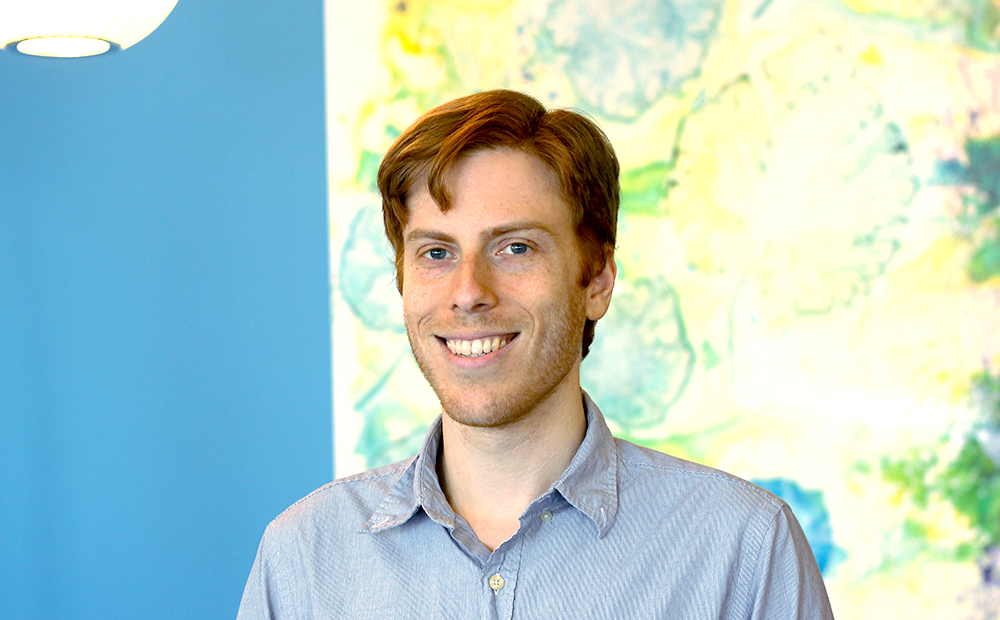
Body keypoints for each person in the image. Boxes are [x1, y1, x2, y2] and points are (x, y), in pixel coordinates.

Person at [237, 90, 835, 619]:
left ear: (596, 278)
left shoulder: (743, 550)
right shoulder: (303, 561)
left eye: (515, 247)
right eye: (436, 253)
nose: (469, 292)